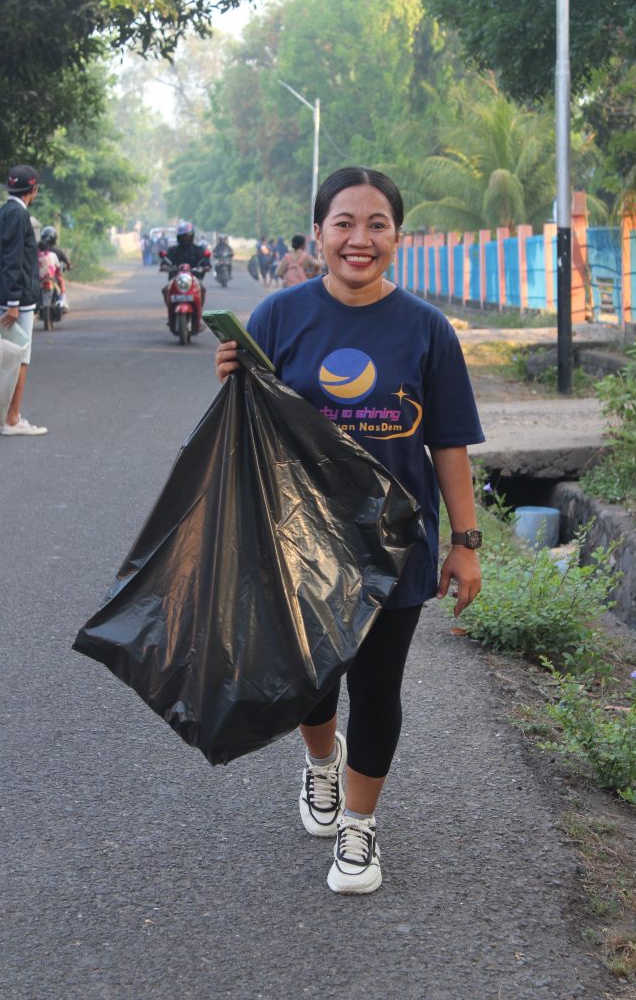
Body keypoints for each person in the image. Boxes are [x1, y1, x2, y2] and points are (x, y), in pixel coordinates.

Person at [216, 166, 484, 894]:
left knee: (376, 685)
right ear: (319, 232)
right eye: (344, 223)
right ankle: (319, 762)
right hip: (300, 538)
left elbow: (449, 444)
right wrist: (232, 380)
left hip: (394, 542)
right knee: (312, 679)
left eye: (375, 225)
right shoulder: (277, 315)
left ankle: (359, 831)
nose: (358, 239)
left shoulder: (426, 329)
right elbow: (253, 422)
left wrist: (464, 544)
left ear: (397, 236)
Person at [0, 164, 48, 436]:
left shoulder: (2, 214)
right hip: (18, 300)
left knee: (10, 356)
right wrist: (13, 301)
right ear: (32, 189)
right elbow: (13, 260)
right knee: (21, 357)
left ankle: (5, 418)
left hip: (5, 295)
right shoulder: (19, 216)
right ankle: (12, 419)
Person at [160, 221, 211, 306]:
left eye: (187, 236)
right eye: (182, 236)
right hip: (176, 278)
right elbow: (166, 260)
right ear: (178, 237)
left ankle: (198, 314)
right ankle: (171, 315)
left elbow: (205, 260)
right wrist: (164, 265)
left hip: (194, 278)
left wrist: (206, 266)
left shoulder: (198, 250)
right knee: (165, 290)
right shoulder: (173, 250)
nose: (185, 238)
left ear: (191, 236)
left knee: (202, 289)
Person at [39, 226, 71, 311]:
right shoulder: (57, 251)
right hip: (53, 277)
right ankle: (62, 300)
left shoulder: (38, 251)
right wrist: (69, 267)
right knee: (61, 281)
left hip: (39, 277)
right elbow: (67, 262)